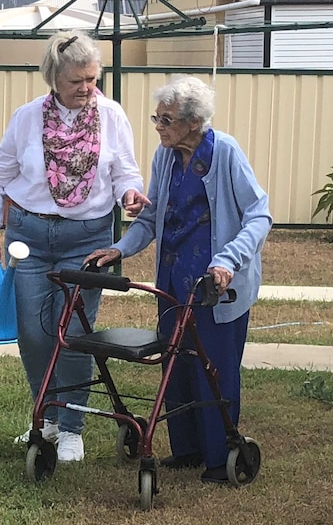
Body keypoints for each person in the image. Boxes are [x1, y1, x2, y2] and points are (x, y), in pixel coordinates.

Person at [84, 75, 272, 483]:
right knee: (177, 365)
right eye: (157, 118)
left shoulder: (224, 152)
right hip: (173, 278)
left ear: (193, 121)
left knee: (213, 368)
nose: (158, 126)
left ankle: (219, 457)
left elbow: (259, 215)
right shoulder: (165, 155)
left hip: (216, 282)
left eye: (166, 119)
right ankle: (186, 450)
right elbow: (152, 217)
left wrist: (228, 262)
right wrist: (120, 249)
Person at [0, 31, 150, 463]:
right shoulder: (26, 118)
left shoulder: (111, 114)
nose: (86, 88)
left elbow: (127, 170)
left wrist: (130, 193)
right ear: (53, 77)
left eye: (92, 78)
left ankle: (72, 427)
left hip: (87, 240)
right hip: (28, 239)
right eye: (77, 80)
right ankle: (47, 419)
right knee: (35, 336)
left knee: (72, 334)